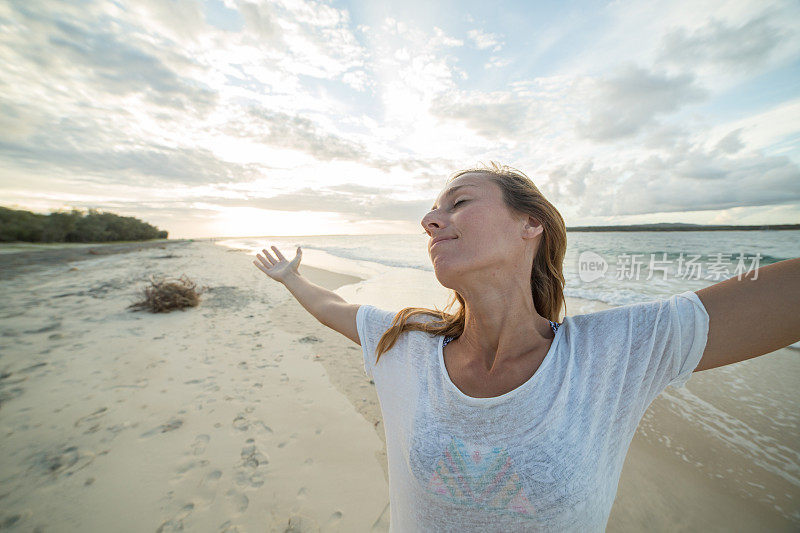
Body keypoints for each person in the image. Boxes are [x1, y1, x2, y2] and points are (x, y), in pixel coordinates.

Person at [253, 162, 800, 532]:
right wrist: (290, 278)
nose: (429, 220)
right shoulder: (406, 345)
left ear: (530, 223)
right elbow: (330, 308)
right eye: (432, 213)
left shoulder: (613, 354)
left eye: (460, 202)